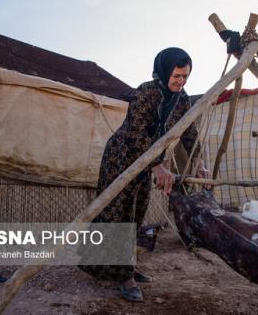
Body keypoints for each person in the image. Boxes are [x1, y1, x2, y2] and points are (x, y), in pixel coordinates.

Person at [79, 47, 210, 302]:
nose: (181, 82)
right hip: (122, 159)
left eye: (185, 77)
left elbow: (188, 130)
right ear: (164, 71)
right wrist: (157, 166)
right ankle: (122, 275)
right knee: (118, 213)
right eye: (176, 76)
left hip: (148, 161)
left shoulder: (181, 99)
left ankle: (126, 267)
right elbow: (136, 134)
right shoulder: (145, 92)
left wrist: (198, 161)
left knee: (137, 212)